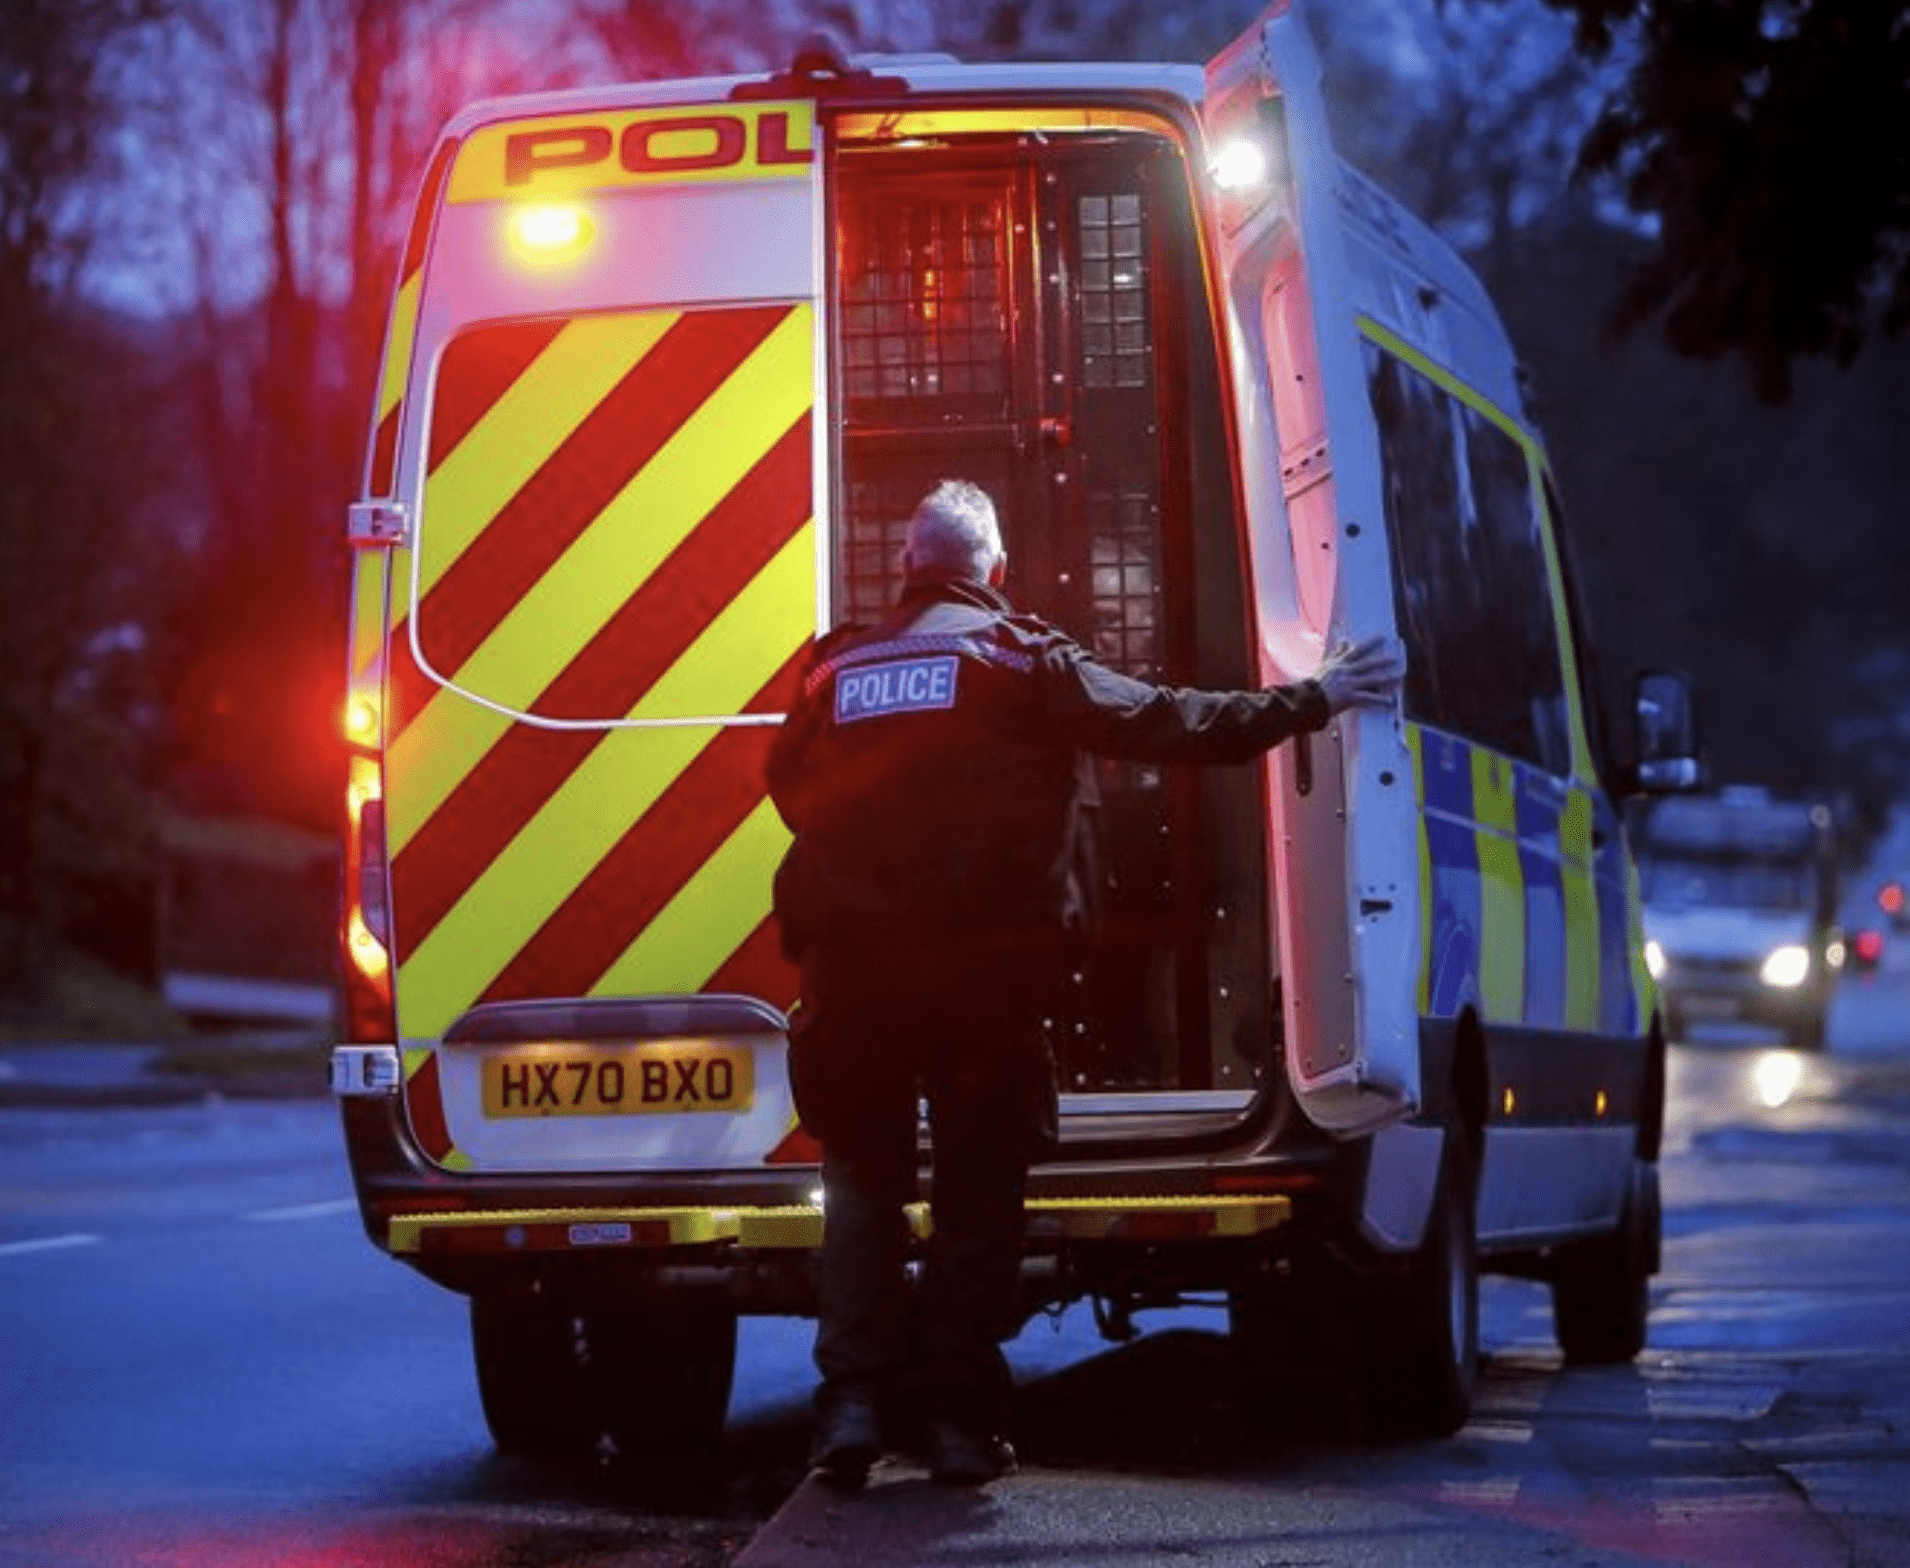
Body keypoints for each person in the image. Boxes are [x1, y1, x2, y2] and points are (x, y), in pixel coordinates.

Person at [765, 479, 1403, 1489]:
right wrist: (1313, 697)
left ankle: (848, 1409)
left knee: (860, 1194)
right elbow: (1166, 721)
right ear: (995, 571)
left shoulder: (830, 668)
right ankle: (959, 1424)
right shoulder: (1020, 659)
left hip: (854, 981)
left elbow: (786, 789)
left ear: (905, 566)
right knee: (977, 1200)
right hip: (979, 983)